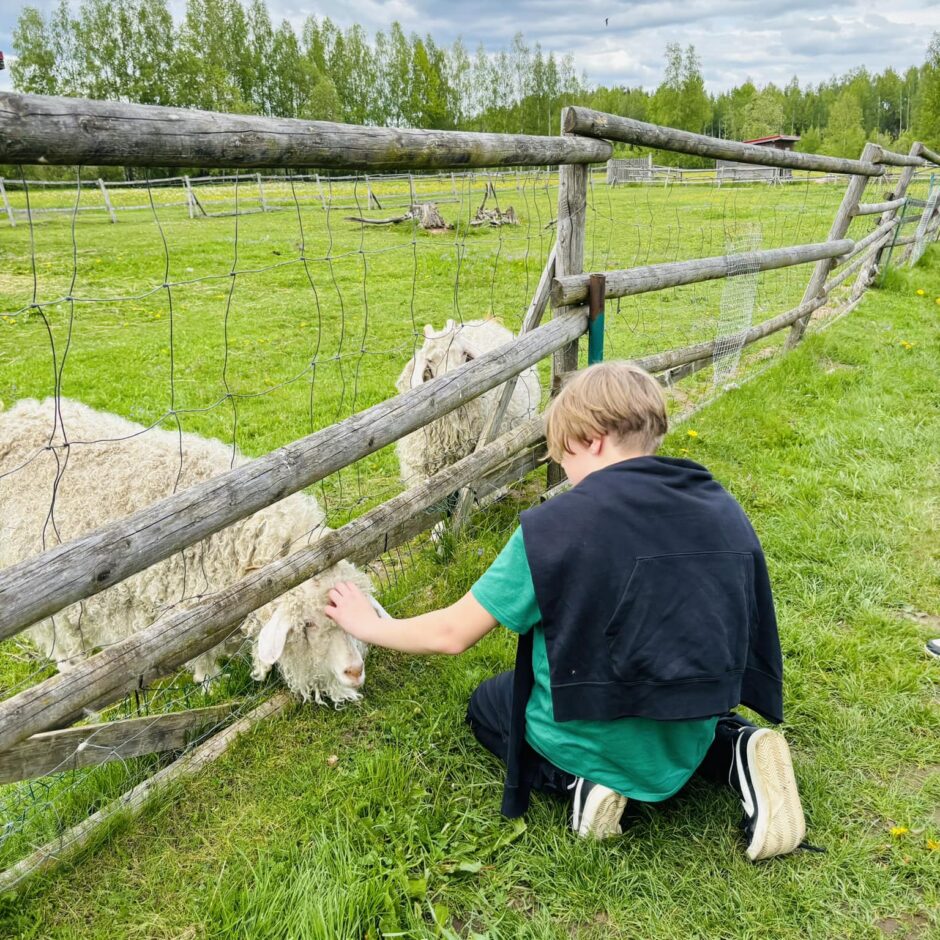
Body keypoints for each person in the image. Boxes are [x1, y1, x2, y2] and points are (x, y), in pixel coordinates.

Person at [325, 361, 807, 861]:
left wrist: (369, 624)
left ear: (593, 439)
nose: (568, 472)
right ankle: (736, 748)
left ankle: (579, 784)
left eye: (565, 455)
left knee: (489, 706)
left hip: (593, 734)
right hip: (687, 725)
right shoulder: (719, 506)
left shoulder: (555, 529)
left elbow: (452, 633)